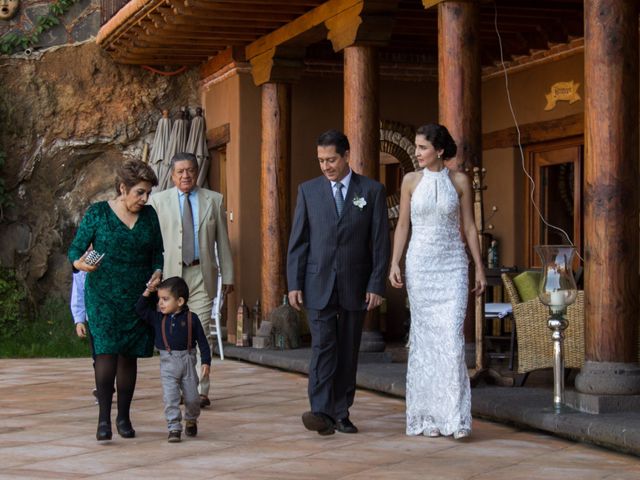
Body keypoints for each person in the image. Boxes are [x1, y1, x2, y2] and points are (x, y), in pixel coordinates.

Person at [287, 129, 390, 436]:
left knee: (347, 351)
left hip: (355, 285)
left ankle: (341, 412)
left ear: (346, 156)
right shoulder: (308, 191)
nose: (326, 166)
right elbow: (299, 241)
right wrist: (294, 283)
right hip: (317, 283)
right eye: (321, 160)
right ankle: (319, 412)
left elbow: (380, 243)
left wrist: (376, 285)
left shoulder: (371, 191)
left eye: (331, 159)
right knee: (322, 348)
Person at [388, 123, 487, 440]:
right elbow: (403, 225)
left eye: (422, 147)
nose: (416, 153)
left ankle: (454, 418)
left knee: (451, 339)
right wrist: (395, 262)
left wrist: (479, 268)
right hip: (420, 266)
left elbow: (470, 227)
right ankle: (426, 416)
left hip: (453, 265)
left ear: (440, 150)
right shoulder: (409, 181)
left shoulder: (459, 181)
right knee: (426, 342)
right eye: (416, 147)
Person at [68, 159, 163, 441]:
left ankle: (124, 417)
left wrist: (158, 271)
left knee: (128, 357)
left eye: (148, 193)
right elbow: (75, 250)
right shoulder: (97, 214)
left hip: (137, 297)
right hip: (103, 296)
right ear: (123, 188)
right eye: (140, 193)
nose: (145, 199)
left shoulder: (150, 216)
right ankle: (103, 421)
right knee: (106, 354)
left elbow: (158, 253)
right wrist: (80, 264)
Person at [148, 152, 234, 408]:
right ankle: (177, 386)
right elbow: (152, 242)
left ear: (197, 172)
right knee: (174, 334)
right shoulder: (157, 201)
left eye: (190, 170)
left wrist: (227, 274)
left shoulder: (213, 200)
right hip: (171, 278)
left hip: (200, 273)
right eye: (180, 171)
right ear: (172, 175)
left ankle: (199, 391)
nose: (186, 175)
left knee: (201, 330)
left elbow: (223, 241)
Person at [136, 276, 211, 443]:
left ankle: (191, 419)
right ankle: (174, 427)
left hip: (188, 361)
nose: (161, 303)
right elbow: (140, 309)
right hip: (168, 363)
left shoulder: (192, 319)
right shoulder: (158, 318)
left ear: (180, 301)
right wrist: (149, 290)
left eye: (165, 299)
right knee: (171, 398)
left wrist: (206, 361)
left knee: (192, 398)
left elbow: (203, 342)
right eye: (159, 299)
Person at [70, 268, 98, 403]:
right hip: (93, 319)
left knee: (117, 356)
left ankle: (109, 383)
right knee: (98, 356)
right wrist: (79, 320)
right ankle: (102, 387)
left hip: (113, 317)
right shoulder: (82, 267)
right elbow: (79, 293)